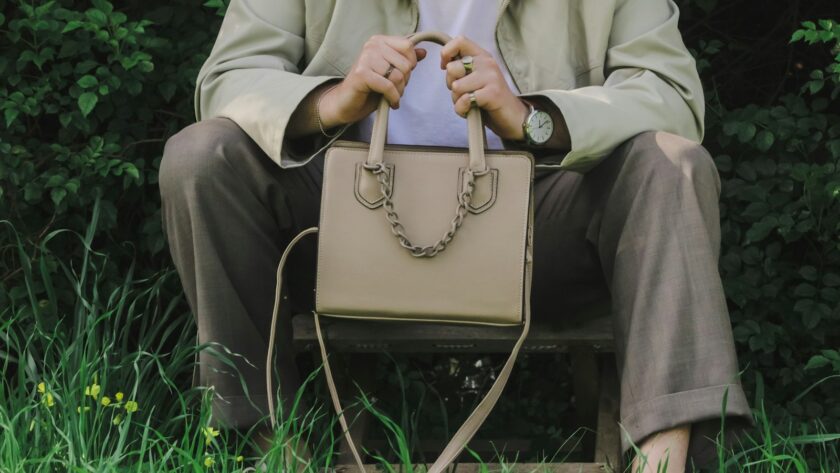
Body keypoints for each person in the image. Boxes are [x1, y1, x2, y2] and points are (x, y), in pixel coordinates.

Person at [158, 0, 754, 470]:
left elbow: (673, 97)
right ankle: (271, 453)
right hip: (342, 222)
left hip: (537, 230)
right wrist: (334, 101)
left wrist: (533, 118)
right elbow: (228, 81)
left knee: (670, 164)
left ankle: (664, 463)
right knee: (201, 157)